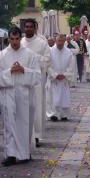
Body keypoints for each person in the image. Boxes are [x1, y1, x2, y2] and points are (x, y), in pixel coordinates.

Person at [0, 27, 41, 166]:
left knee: (24, 124)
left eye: (17, 39)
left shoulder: (30, 55)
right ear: (8, 38)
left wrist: (24, 70)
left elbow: (37, 76)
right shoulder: (2, 55)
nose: (15, 42)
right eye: (12, 39)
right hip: (8, 94)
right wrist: (9, 71)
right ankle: (10, 154)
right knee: (9, 125)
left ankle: (24, 153)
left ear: (20, 37)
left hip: (24, 95)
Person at [21, 19, 51, 147]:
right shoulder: (20, 42)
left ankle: (37, 135)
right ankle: (25, 134)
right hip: (22, 80)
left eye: (30, 27)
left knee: (37, 107)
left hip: (37, 80)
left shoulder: (42, 43)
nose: (28, 29)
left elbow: (47, 60)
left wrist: (33, 57)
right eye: (26, 27)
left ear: (35, 28)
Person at [47, 34, 75, 121]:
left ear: (64, 41)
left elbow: (71, 65)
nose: (60, 43)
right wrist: (54, 75)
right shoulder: (50, 51)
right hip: (54, 79)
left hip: (63, 79)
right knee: (53, 97)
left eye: (62, 41)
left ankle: (64, 114)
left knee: (64, 97)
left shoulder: (68, 52)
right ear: (56, 41)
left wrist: (65, 74)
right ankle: (53, 114)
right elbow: (47, 65)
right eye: (59, 41)